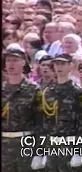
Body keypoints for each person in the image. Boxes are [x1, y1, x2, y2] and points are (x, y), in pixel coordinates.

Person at [39, 53, 82, 171]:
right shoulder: (47, 91)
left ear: (71, 66)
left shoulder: (78, 92)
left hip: (70, 144)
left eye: (62, 64)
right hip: (51, 145)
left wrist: (79, 151)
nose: (59, 67)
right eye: (56, 64)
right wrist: (41, 150)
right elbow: (43, 123)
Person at [2, 44, 41, 172]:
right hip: (4, 147)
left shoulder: (33, 89)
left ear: (23, 62)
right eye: (8, 60)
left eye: (15, 60)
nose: (11, 64)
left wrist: (39, 152)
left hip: (26, 144)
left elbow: (41, 123)